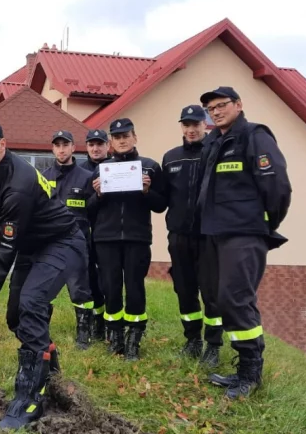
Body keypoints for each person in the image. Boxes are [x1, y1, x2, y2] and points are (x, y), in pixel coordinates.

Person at [0, 115, 89, 430]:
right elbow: (14, 222)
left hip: (62, 243)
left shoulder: (17, 181)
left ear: (2, 144)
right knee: (17, 318)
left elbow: (7, 251)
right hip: (33, 244)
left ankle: (29, 399)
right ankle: (51, 371)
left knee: (32, 302)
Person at [197, 86, 291, 398]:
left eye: (221, 105)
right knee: (218, 298)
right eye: (211, 109)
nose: (216, 112)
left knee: (236, 299)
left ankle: (250, 373)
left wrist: (263, 224)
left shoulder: (254, 136)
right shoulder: (213, 141)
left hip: (244, 234)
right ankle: (241, 370)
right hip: (213, 234)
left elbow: (277, 187)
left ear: (238, 104)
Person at [90, 118, 167, 361]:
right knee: (111, 289)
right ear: (111, 141)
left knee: (135, 289)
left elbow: (161, 204)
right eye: (117, 137)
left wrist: (146, 192)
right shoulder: (102, 169)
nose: (122, 140)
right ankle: (116, 338)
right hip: (106, 239)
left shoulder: (150, 167)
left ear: (135, 137)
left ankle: (134, 340)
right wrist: (99, 194)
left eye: (126, 136)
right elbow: (89, 208)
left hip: (137, 238)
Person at [162, 105, 223, 365]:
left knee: (211, 293)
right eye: (186, 125)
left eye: (196, 124)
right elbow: (161, 199)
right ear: (181, 127)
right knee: (185, 291)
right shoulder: (171, 157)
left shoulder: (216, 153)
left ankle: (213, 345)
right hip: (178, 237)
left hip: (208, 237)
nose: (191, 129)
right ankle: (192, 340)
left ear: (205, 125)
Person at [41, 130, 95, 349]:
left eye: (66, 145)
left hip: (77, 243)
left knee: (80, 289)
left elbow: (94, 210)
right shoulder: (44, 177)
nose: (61, 149)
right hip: (50, 243)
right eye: (57, 145)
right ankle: (41, 329)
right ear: (53, 149)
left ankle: (84, 333)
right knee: (45, 288)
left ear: (74, 148)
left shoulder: (86, 177)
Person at [80, 129, 110, 342]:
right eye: (91, 144)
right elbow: (82, 207)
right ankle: (97, 322)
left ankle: (113, 323)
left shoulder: (119, 167)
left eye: (100, 144)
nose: (96, 148)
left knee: (110, 281)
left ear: (108, 146)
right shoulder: (80, 172)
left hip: (110, 234)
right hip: (87, 235)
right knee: (91, 281)